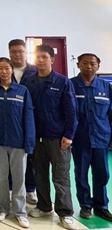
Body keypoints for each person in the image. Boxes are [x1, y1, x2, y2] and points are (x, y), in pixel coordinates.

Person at [24, 44, 77, 230]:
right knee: (40, 174)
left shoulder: (63, 82)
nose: (40, 60)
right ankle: (44, 206)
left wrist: (69, 135)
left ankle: (65, 213)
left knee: (60, 177)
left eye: (44, 57)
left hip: (58, 139)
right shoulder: (29, 82)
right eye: (37, 56)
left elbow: (71, 111)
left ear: (52, 59)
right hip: (37, 138)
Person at [0, 39, 39, 204]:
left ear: (26, 52)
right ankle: (3, 202)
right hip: (1, 132)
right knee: (2, 173)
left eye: (20, 51)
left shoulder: (34, 71)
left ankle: (29, 192)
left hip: (25, 125)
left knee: (27, 165)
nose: (17, 54)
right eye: (13, 51)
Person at [71, 53, 112, 221]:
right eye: (85, 63)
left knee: (102, 173)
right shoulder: (71, 85)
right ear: (78, 65)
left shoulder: (106, 87)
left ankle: (101, 206)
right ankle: (85, 205)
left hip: (101, 137)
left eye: (92, 64)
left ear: (98, 66)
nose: (89, 66)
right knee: (81, 174)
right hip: (80, 138)